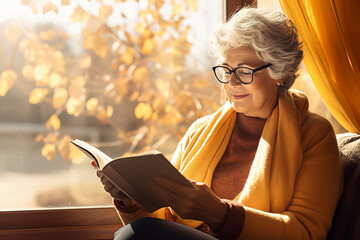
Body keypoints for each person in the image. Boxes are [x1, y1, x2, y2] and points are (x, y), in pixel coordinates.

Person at [93, 6, 343, 240]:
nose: (232, 83)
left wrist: (219, 213)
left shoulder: (314, 134)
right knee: (135, 232)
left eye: (244, 71)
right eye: (225, 70)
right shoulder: (199, 132)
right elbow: (164, 221)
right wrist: (129, 202)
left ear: (280, 73)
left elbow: (306, 231)